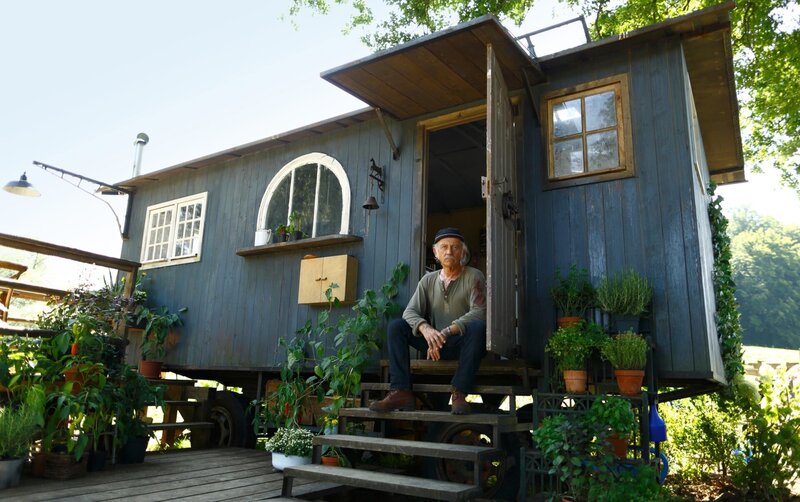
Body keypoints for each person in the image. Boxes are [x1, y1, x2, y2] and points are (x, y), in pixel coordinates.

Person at [370, 227, 486, 415]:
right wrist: (426, 329)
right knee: (396, 327)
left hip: (463, 344)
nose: (449, 251)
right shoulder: (428, 280)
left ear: (462, 252)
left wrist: (446, 331)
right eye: (444, 247)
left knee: (478, 327)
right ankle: (401, 391)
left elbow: (479, 311)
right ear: (435, 252)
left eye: (455, 247)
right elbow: (410, 312)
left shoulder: (474, 275)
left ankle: (459, 393)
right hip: (436, 346)